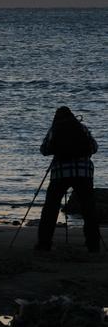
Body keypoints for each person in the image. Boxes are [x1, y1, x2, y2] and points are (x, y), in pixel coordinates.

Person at [36, 106, 100, 252]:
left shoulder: (55, 129)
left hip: (60, 174)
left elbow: (44, 150)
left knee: (50, 209)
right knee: (88, 209)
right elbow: (94, 147)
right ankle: (93, 245)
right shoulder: (82, 127)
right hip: (84, 173)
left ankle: (44, 244)